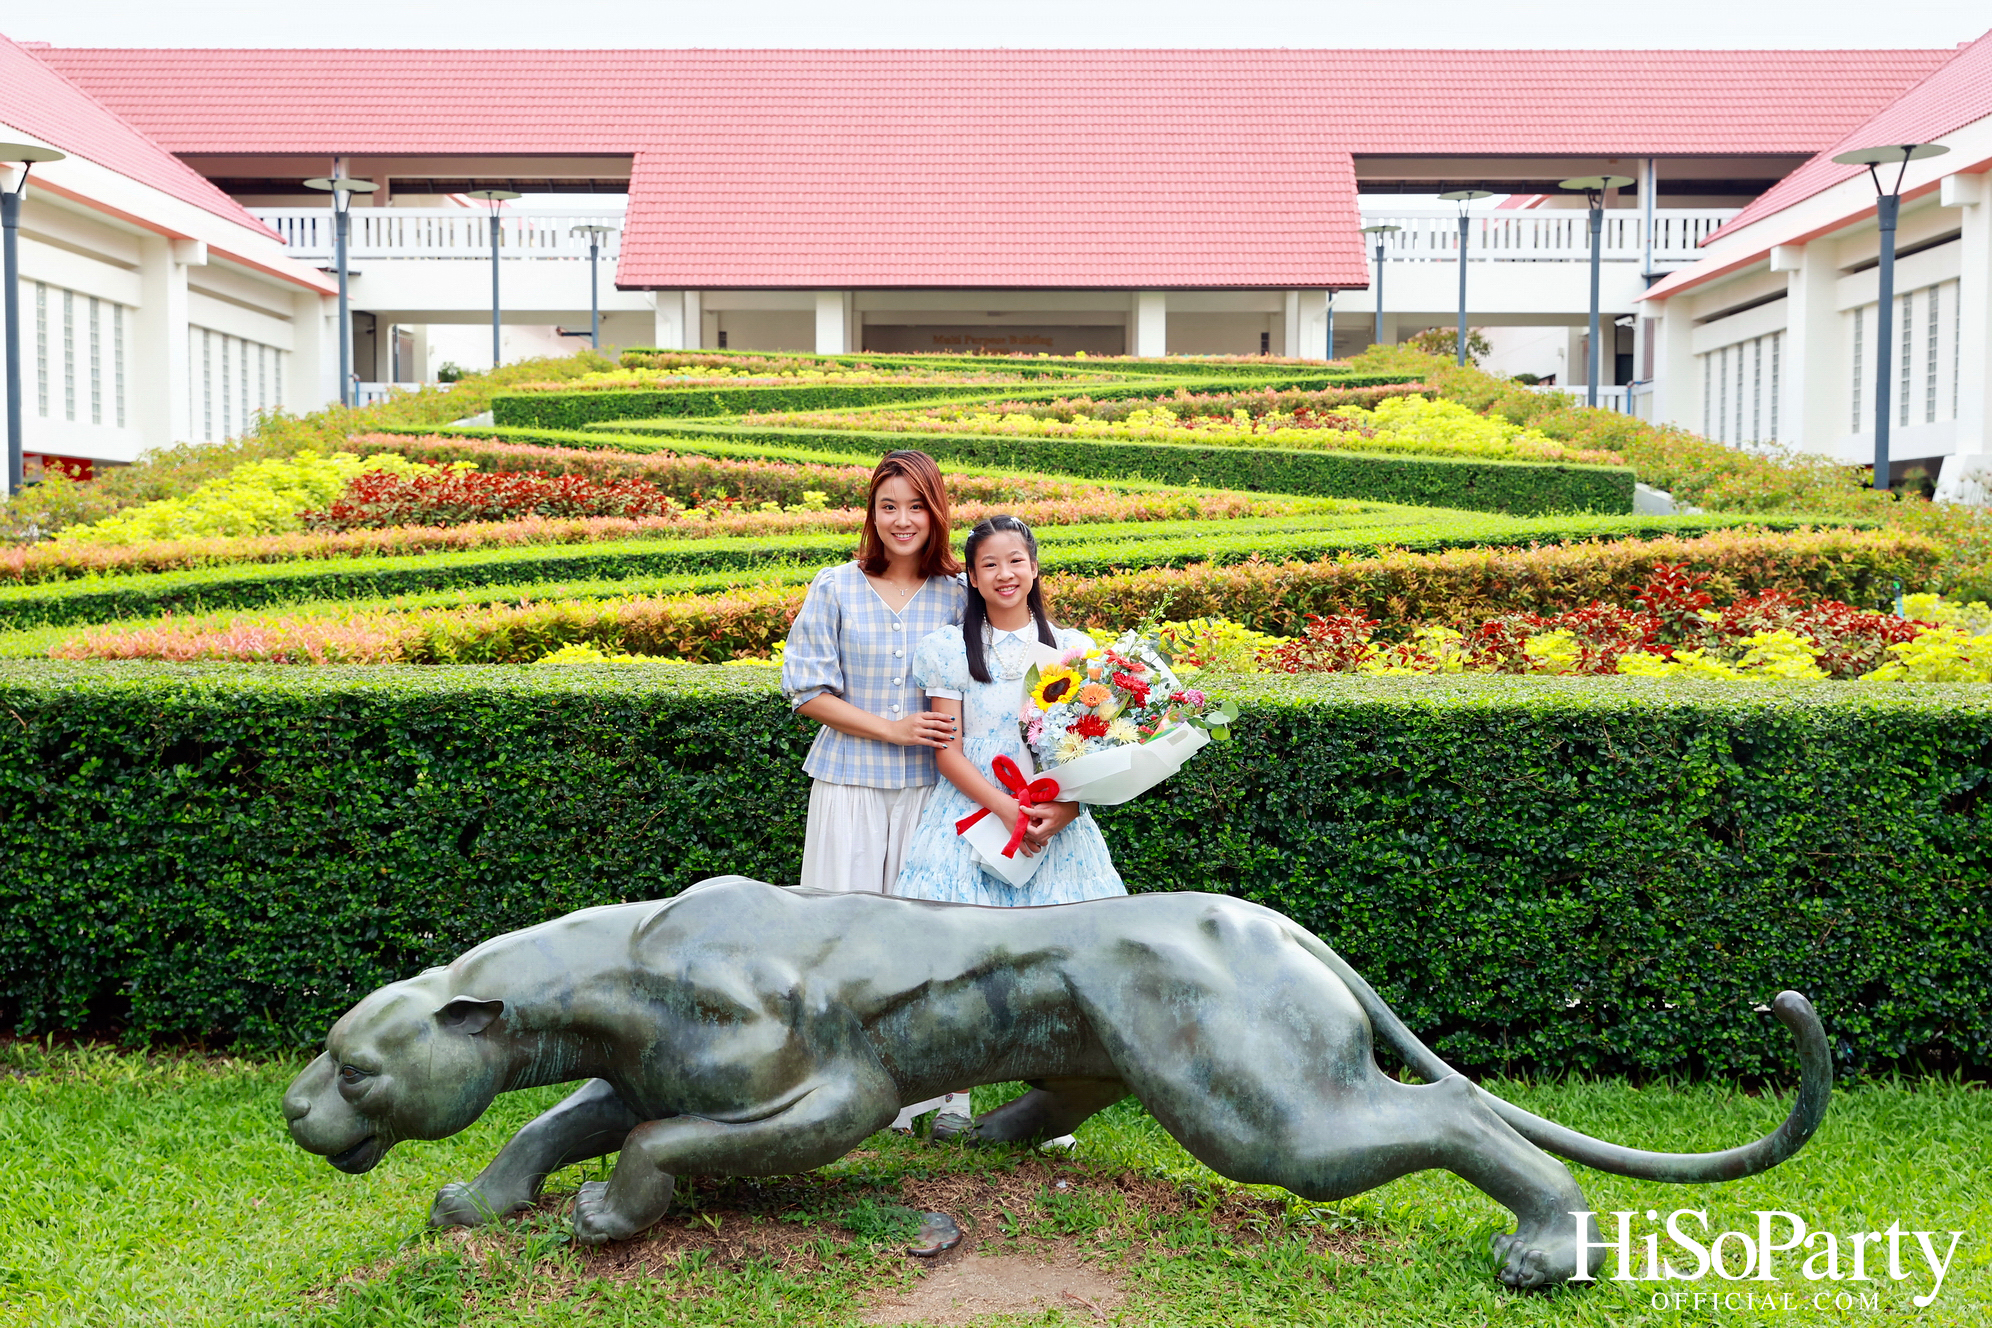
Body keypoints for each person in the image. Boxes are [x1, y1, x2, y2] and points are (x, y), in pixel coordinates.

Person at [894, 515, 1126, 908]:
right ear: (972, 576)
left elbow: (1088, 750)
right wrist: (1004, 808)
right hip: (970, 809)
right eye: (990, 564)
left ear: (1034, 568)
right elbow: (947, 752)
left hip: (1050, 820)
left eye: (1016, 561)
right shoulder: (950, 650)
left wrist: (1068, 809)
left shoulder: (1073, 649)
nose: (1005, 574)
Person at [781, 449, 966, 895]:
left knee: (920, 928)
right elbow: (808, 692)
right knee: (838, 927)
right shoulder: (835, 586)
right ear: (873, 514)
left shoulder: (959, 593)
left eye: (916, 506)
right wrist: (891, 729)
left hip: (932, 787)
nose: (902, 520)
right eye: (889, 506)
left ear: (935, 511)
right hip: (848, 782)